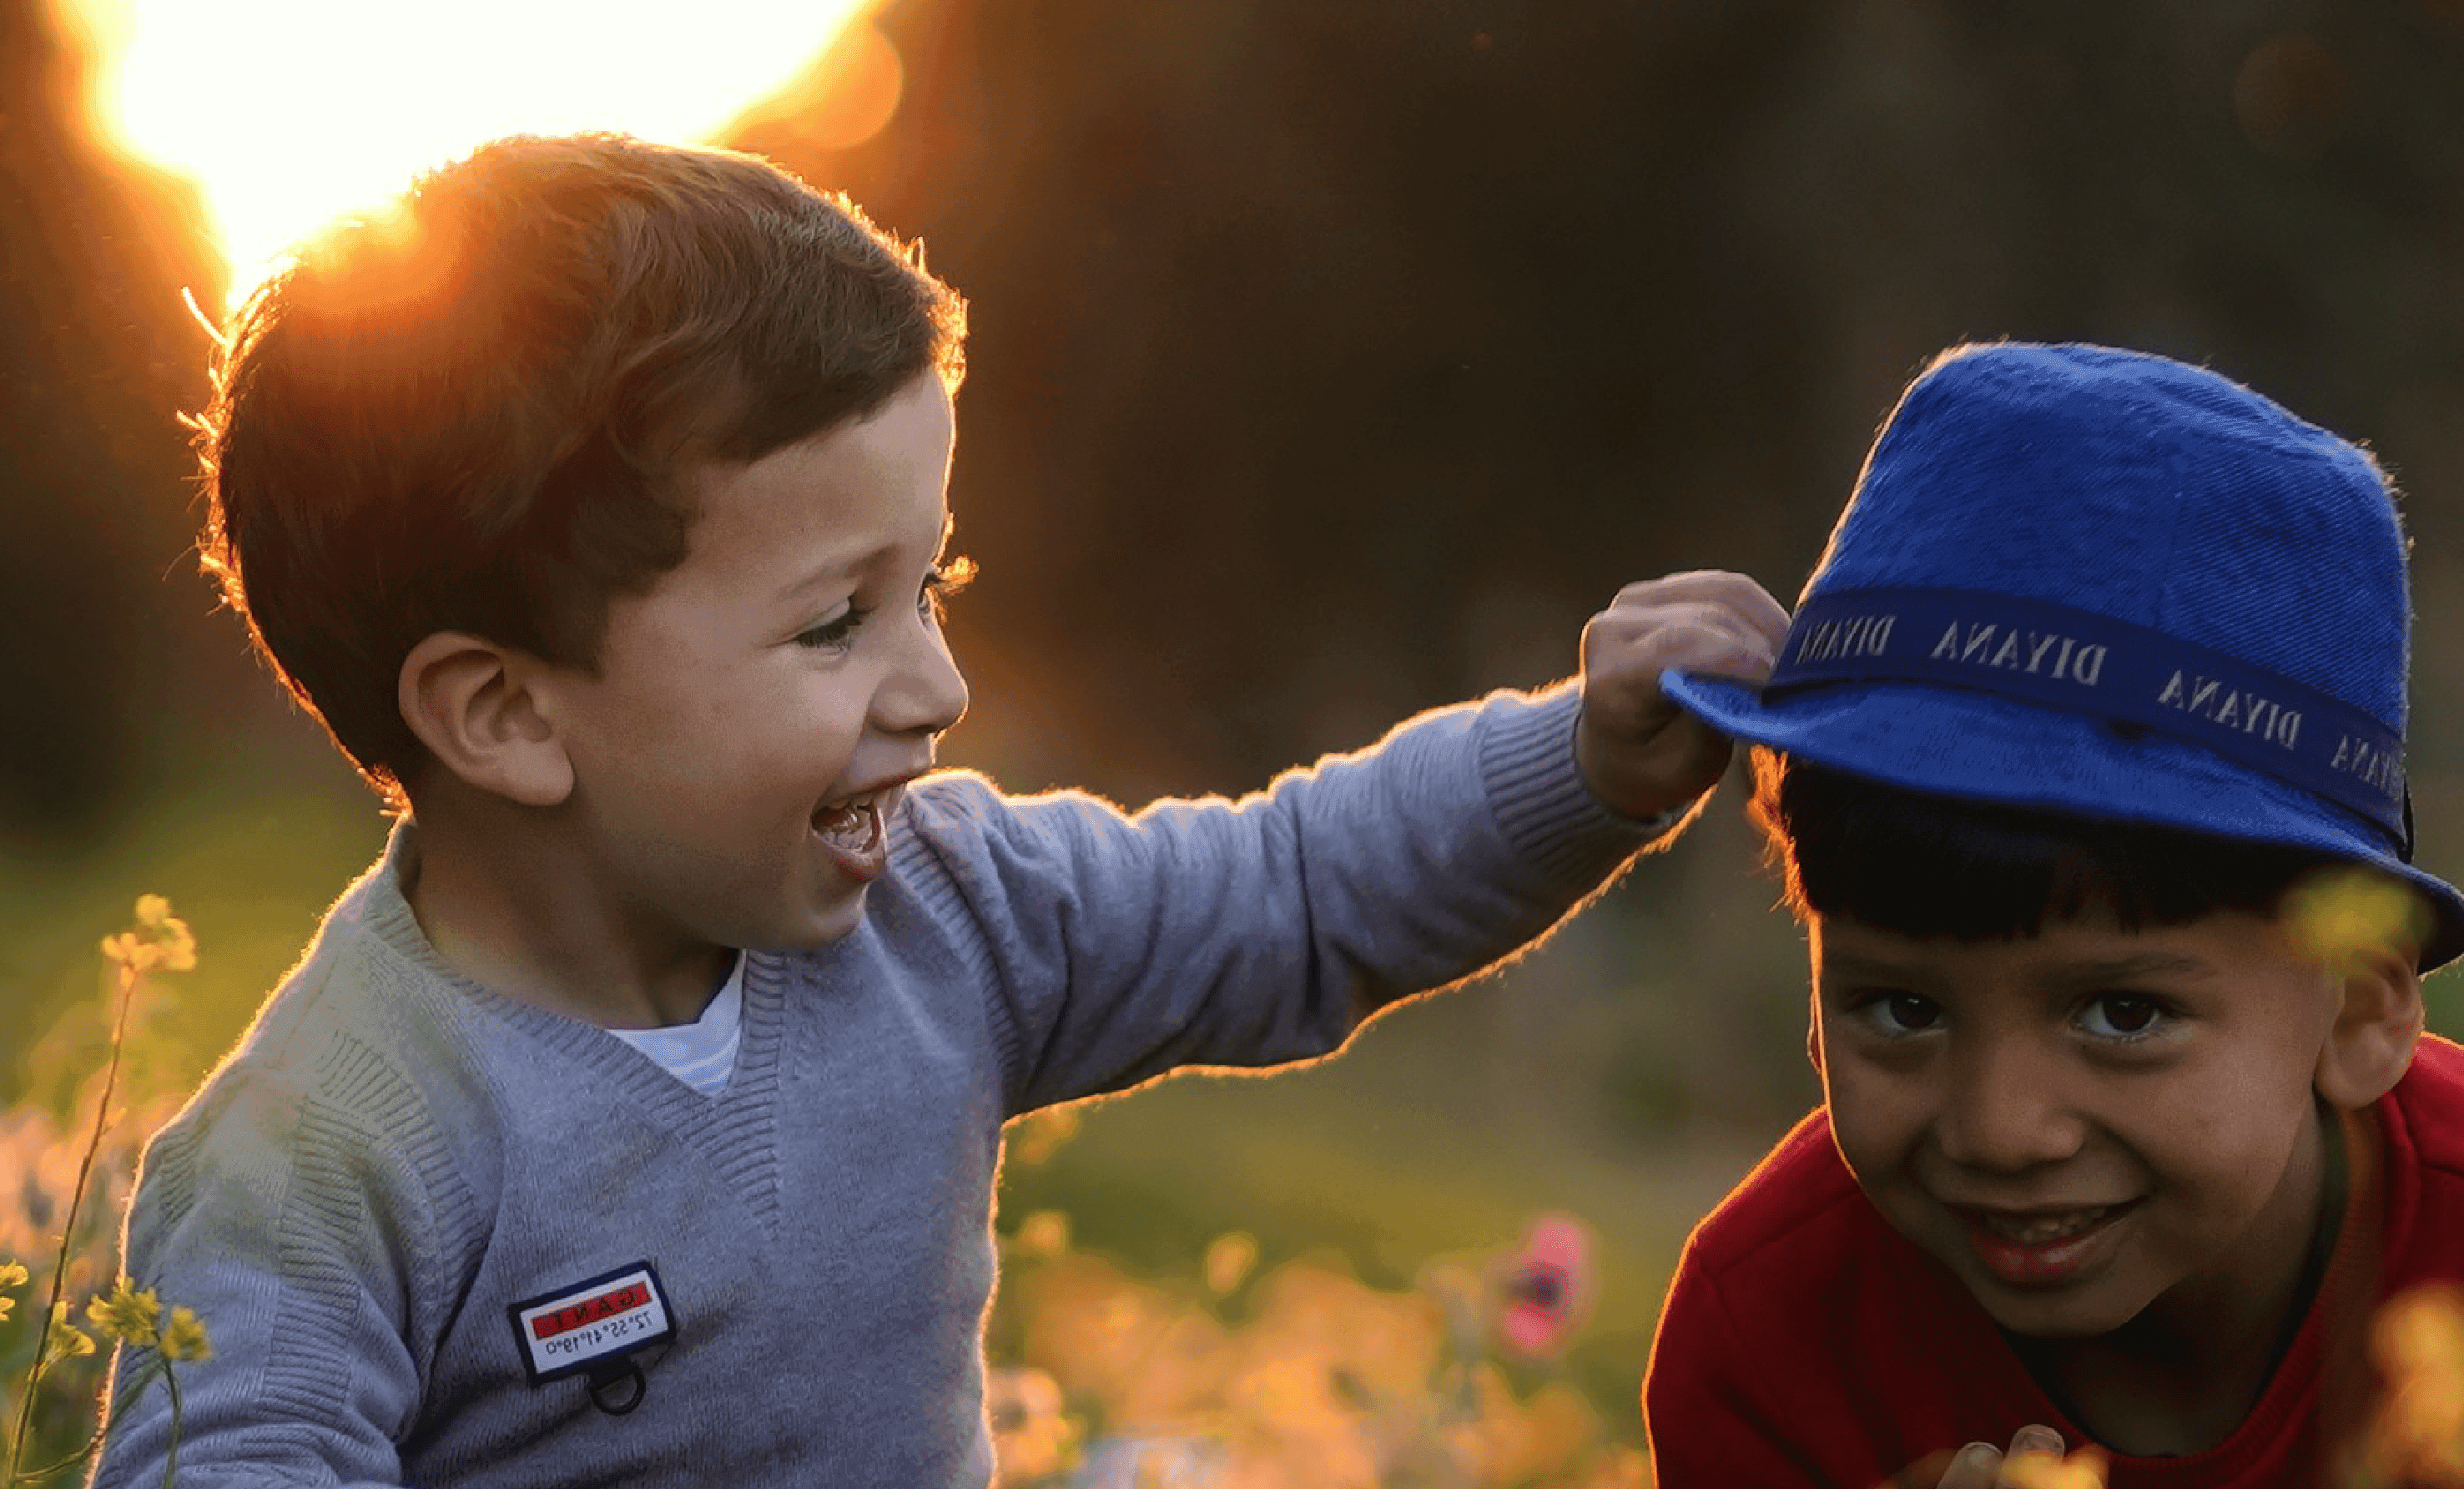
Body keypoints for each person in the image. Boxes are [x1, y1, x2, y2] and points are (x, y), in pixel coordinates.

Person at [88, 131, 1785, 1485]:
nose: (935, 688)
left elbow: (1293, 893)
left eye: (934, 584)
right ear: (509, 713)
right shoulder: (324, 1154)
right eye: (838, 621)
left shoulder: (949, 908)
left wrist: (1588, 767)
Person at [1635, 342, 2464, 1489]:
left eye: (2122, 1013)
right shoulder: (1768, 1337)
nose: (2000, 1130)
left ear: (2357, 1006)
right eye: (1902, 1009)